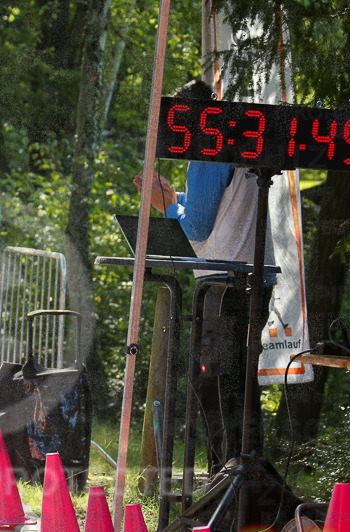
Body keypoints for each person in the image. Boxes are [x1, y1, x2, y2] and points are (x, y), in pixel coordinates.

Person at [135, 79, 273, 473]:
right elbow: (222, 211)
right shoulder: (242, 141)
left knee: (215, 387)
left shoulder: (207, 146)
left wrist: (166, 205)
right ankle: (240, 475)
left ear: (184, 117)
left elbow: (195, 228)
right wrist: (177, 198)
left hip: (223, 286)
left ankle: (223, 477)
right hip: (252, 280)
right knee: (239, 388)